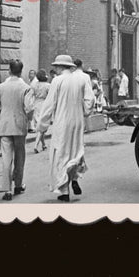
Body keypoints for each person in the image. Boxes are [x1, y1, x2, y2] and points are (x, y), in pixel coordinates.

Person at [37, 54, 95, 202]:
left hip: (62, 122)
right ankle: (74, 177)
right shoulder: (81, 79)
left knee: (61, 154)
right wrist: (85, 112)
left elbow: (49, 105)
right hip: (77, 121)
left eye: (56, 66)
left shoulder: (57, 81)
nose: (55, 69)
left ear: (61, 67)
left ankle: (64, 191)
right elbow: (90, 99)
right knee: (76, 151)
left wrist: (42, 125)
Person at [0, 59, 35, 201]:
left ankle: (7, 189)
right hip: (19, 125)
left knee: (6, 157)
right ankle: (18, 184)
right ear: (21, 71)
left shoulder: (0, 87)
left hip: (4, 125)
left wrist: (1, 116)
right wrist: (28, 119)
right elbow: (29, 109)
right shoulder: (26, 88)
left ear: (9, 70)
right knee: (20, 155)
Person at [33, 70, 51, 153]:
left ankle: (43, 144)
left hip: (36, 104)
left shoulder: (34, 85)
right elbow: (50, 96)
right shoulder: (48, 85)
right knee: (42, 126)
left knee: (39, 125)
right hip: (44, 104)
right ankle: (36, 145)